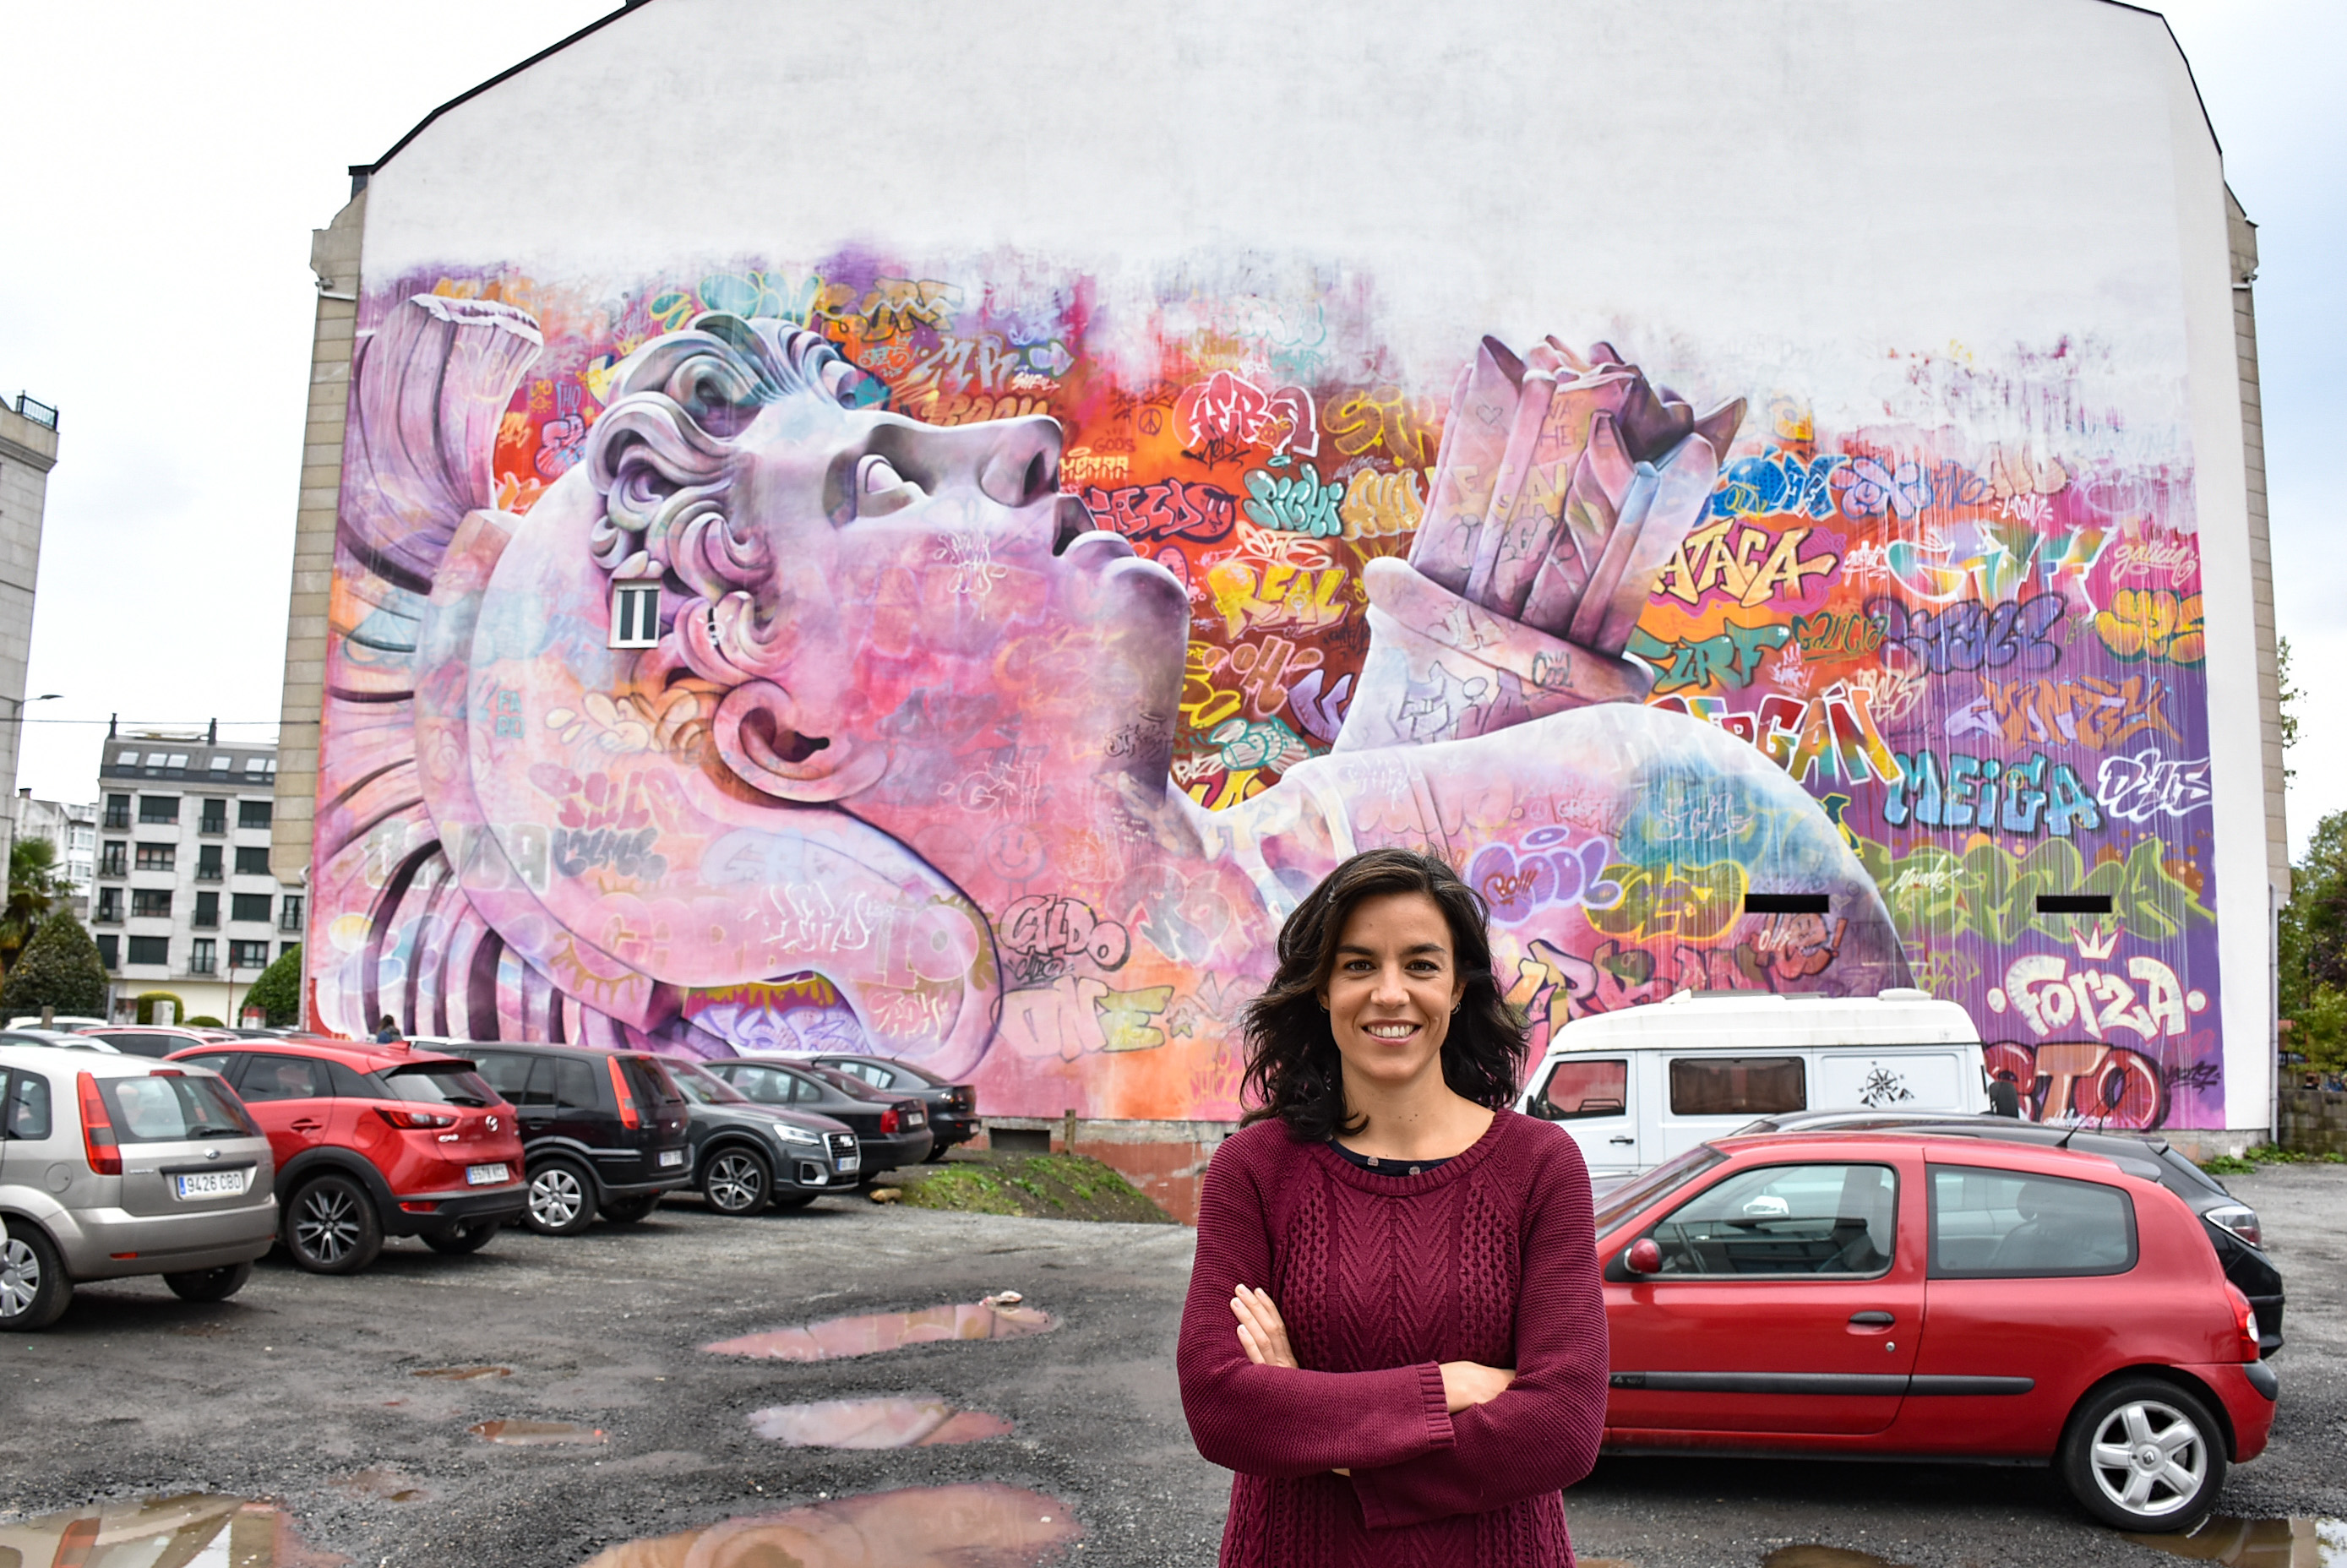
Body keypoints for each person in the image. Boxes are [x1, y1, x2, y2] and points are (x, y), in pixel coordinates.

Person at [1176, 847, 1607, 1565]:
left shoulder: (1539, 1166)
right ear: (1322, 988)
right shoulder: (1254, 1170)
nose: (1389, 993)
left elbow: (1562, 1426)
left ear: (1458, 988)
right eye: (1358, 965)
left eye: (1421, 965)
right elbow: (1223, 1407)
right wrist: (1446, 1387)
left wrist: (1319, 1423)